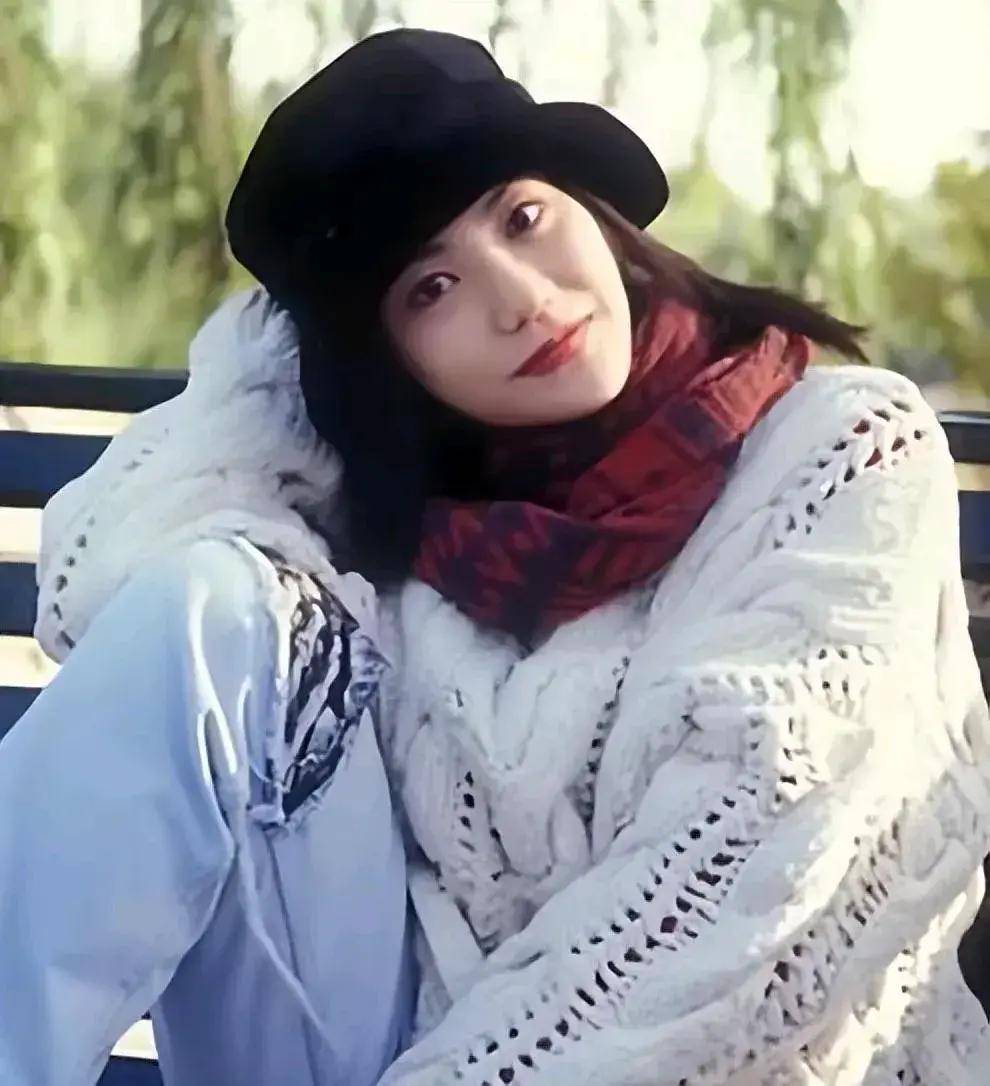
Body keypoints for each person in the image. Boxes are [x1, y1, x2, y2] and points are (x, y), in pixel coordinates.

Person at [2, 24, 989, 1086]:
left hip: (720, 1058)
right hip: (388, 1040)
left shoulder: (842, 452)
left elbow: (749, 902)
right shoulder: (387, 510)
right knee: (213, 603)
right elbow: (98, 573)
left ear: (589, 205)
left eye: (522, 217)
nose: (518, 298)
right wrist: (297, 347)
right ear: (388, 359)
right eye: (430, 290)